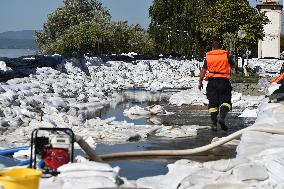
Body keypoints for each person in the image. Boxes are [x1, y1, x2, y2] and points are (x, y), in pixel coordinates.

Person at [198, 41, 235, 131]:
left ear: (212, 48)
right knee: (226, 101)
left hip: (212, 82)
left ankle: (214, 124)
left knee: (213, 103)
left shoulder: (208, 56)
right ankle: (222, 118)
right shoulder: (226, 55)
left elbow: (203, 70)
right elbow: (233, 65)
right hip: (223, 81)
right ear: (220, 47)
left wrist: (200, 81)